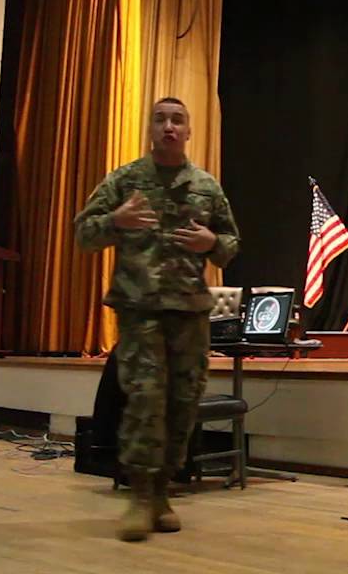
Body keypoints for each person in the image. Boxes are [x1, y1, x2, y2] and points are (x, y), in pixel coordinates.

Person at [74, 97, 240, 542]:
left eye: (177, 120)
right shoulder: (125, 180)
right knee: (145, 400)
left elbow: (231, 242)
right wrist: (116, 219)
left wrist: (211, 244)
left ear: (188, 131)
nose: (169, 126)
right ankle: (140, 496)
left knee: (182, 404)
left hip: (189, 312)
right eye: (160, 119)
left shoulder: (205, 186)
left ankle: (164, 491)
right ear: (150, 128)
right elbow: (83, 234)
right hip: (140, 310)